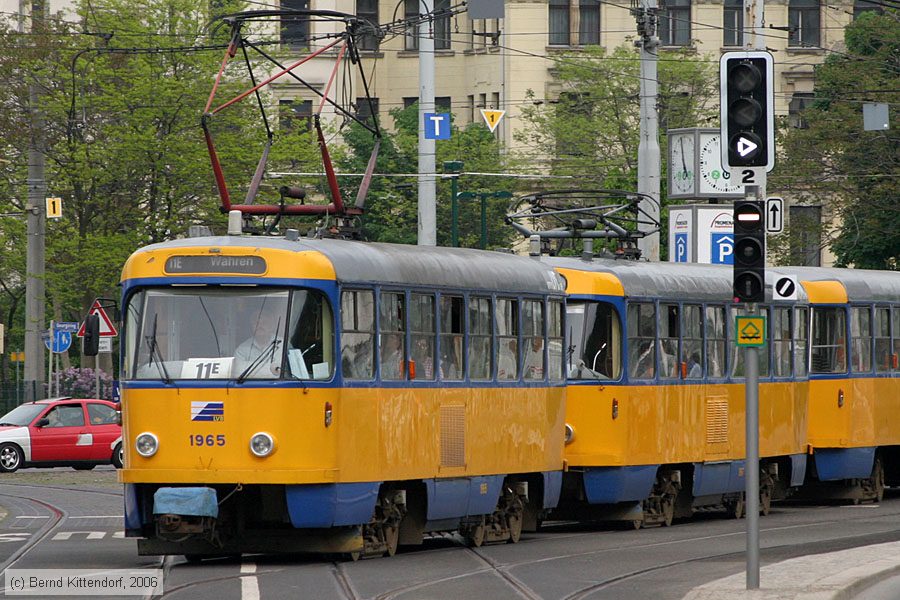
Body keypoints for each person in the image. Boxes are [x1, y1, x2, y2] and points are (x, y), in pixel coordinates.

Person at [233, 312, 284, 378]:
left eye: (264, 323)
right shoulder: (242, 350)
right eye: (256, 323)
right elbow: (238, 375)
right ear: (251, 327)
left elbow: (290, 372)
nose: (260, 326)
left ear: (271, 326)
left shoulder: (283, 345)